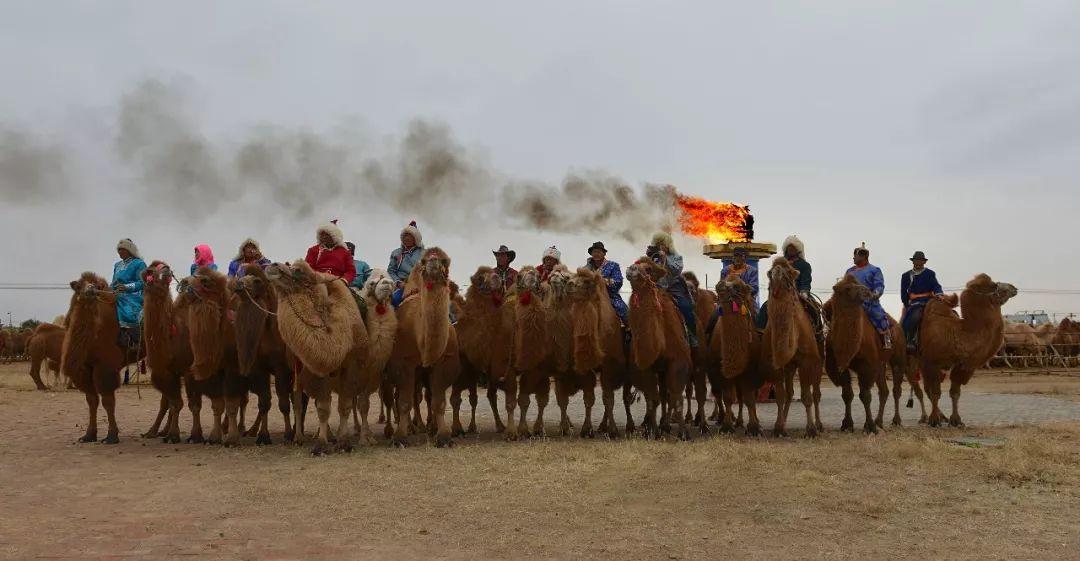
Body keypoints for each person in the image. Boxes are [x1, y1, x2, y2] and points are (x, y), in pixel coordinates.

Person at [648, 232, 698, 347]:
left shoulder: (676, 257)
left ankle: (692, 336)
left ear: (668, 245)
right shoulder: (652, 257)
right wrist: (649, 258)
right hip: (657, 287)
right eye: (658, 244)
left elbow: (677, 270)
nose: (660, 246)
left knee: (686, 307)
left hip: (674, 287)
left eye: (662, 244)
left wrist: (665, 258)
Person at [846, 244, 892, 349]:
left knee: (879, 315)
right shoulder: (849, 271)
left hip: (869, 301)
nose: (853, 258)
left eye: (856, 256)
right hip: (851, 302)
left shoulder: (875, 270)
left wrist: (875, 293)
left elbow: (879, 285)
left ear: (863, 257)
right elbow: (845, 285)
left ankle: (886, 338)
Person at [900, 251, 943, 352]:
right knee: (915, 317)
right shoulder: (906, 276)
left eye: (920, 260)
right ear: (913, 262)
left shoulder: (930, 274)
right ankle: (910, 340)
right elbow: (903, 292)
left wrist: (939, 294)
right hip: (915, 304)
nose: (918, 262)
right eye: (916, 260)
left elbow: (936, 286)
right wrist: (907, 304)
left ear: (924, 262)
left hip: (930, 301)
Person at [111, 238, 147, 350]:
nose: (120, 252)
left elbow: (142, 282)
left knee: (121, 300)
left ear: (129, 250)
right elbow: (113, 282)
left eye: (122, 249)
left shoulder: (139, 264)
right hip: (117, 292)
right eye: (119, 250)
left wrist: (126, 287)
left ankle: (135, 338)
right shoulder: (117, 265)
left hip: (133, 294)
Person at [585, 241, 628, 325]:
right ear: (591, 254)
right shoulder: (586, 268)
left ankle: (629, 332)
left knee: (624, 311)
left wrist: (602, 281)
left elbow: (618, 281)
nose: (596, 254)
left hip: (609, 296)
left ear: (604, 254)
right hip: (589, 296)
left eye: (599, 252)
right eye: (594, 252)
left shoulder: (613, 265)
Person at [389, 221, 424, 307]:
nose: (407, 238)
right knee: (393, 300)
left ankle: (451, 319)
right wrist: (398, 282)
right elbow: (391, 271)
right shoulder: (397, 253)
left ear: (416, 238)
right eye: (405, 236)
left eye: (410, 236)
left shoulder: (424, 253)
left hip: (420, 285)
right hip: (402, 285)